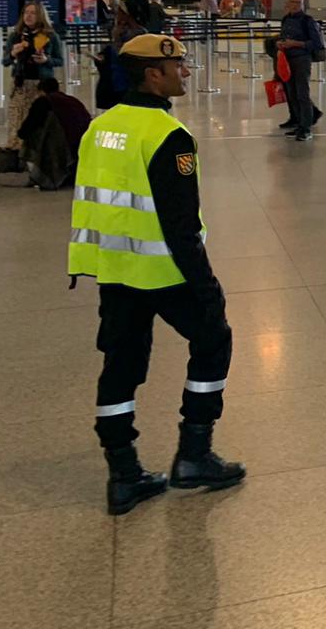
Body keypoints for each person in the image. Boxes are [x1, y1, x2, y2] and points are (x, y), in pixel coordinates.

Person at [68, 33, 244, 516]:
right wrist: (208, 289)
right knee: (214, 340)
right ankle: (193, 454)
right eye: (178, 66)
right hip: (163, 272)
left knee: (120, 366)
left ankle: (123, 474)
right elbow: (180, 226)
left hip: (114, 270)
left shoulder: (99, 128)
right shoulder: (167, 137)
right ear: (153, 74)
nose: (184, 72)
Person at [3, 1, 61, 149]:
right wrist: (13, 53)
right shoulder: (15, 36)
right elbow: (5, 61)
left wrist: (46, 60)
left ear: (40, 16)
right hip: (21, 84)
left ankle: (38, 153)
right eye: (26, 13)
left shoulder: (50, 36)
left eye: (33, 13)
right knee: (17, 120)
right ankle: (16, 151)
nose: (28, 16)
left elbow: (59, 60)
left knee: (39, 120)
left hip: (41, 84)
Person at [16, 76, 91, 190]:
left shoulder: (43, 101)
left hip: (63, 146)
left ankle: (42, 172)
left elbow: (26, 129)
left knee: (36, 133)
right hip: (83, 143)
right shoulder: (72, 100)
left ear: (41, 91)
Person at [277, 0, 326, 141]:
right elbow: (282, 36)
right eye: (292, 2)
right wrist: (280, 44)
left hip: (302, 60)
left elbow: (316, 43)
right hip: (287, 60)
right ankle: (298, 123)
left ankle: (306, 127)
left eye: (298, 3)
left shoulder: (308, 21)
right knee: (291, 94)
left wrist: (296, 44)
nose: (295, 5)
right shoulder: (286, 19)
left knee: (302, 94)